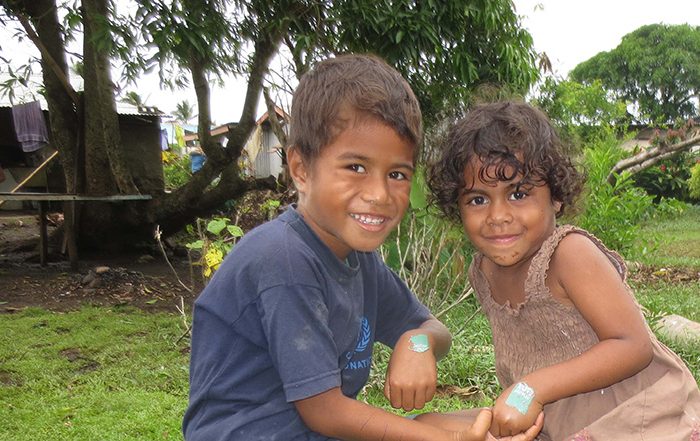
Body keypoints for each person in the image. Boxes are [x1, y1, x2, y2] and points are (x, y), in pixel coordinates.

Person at [182, 56, 543, 441]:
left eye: (397, 174)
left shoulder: (359, 262)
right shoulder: (283, 259)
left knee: (474, 421)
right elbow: (325, 412)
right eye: (355, 167)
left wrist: (416, 343)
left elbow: (434, 330)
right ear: (301, 169)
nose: (379, 194)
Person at [421, 100, 700, 440]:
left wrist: (528, 390)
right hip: (557, 422)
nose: (498, 216)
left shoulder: (568, 254)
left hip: (638, 419)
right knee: (424, 425)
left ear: (555, 196)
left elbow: (632, 345)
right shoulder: (483, 271)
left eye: (519, 193)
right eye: (478, 199)